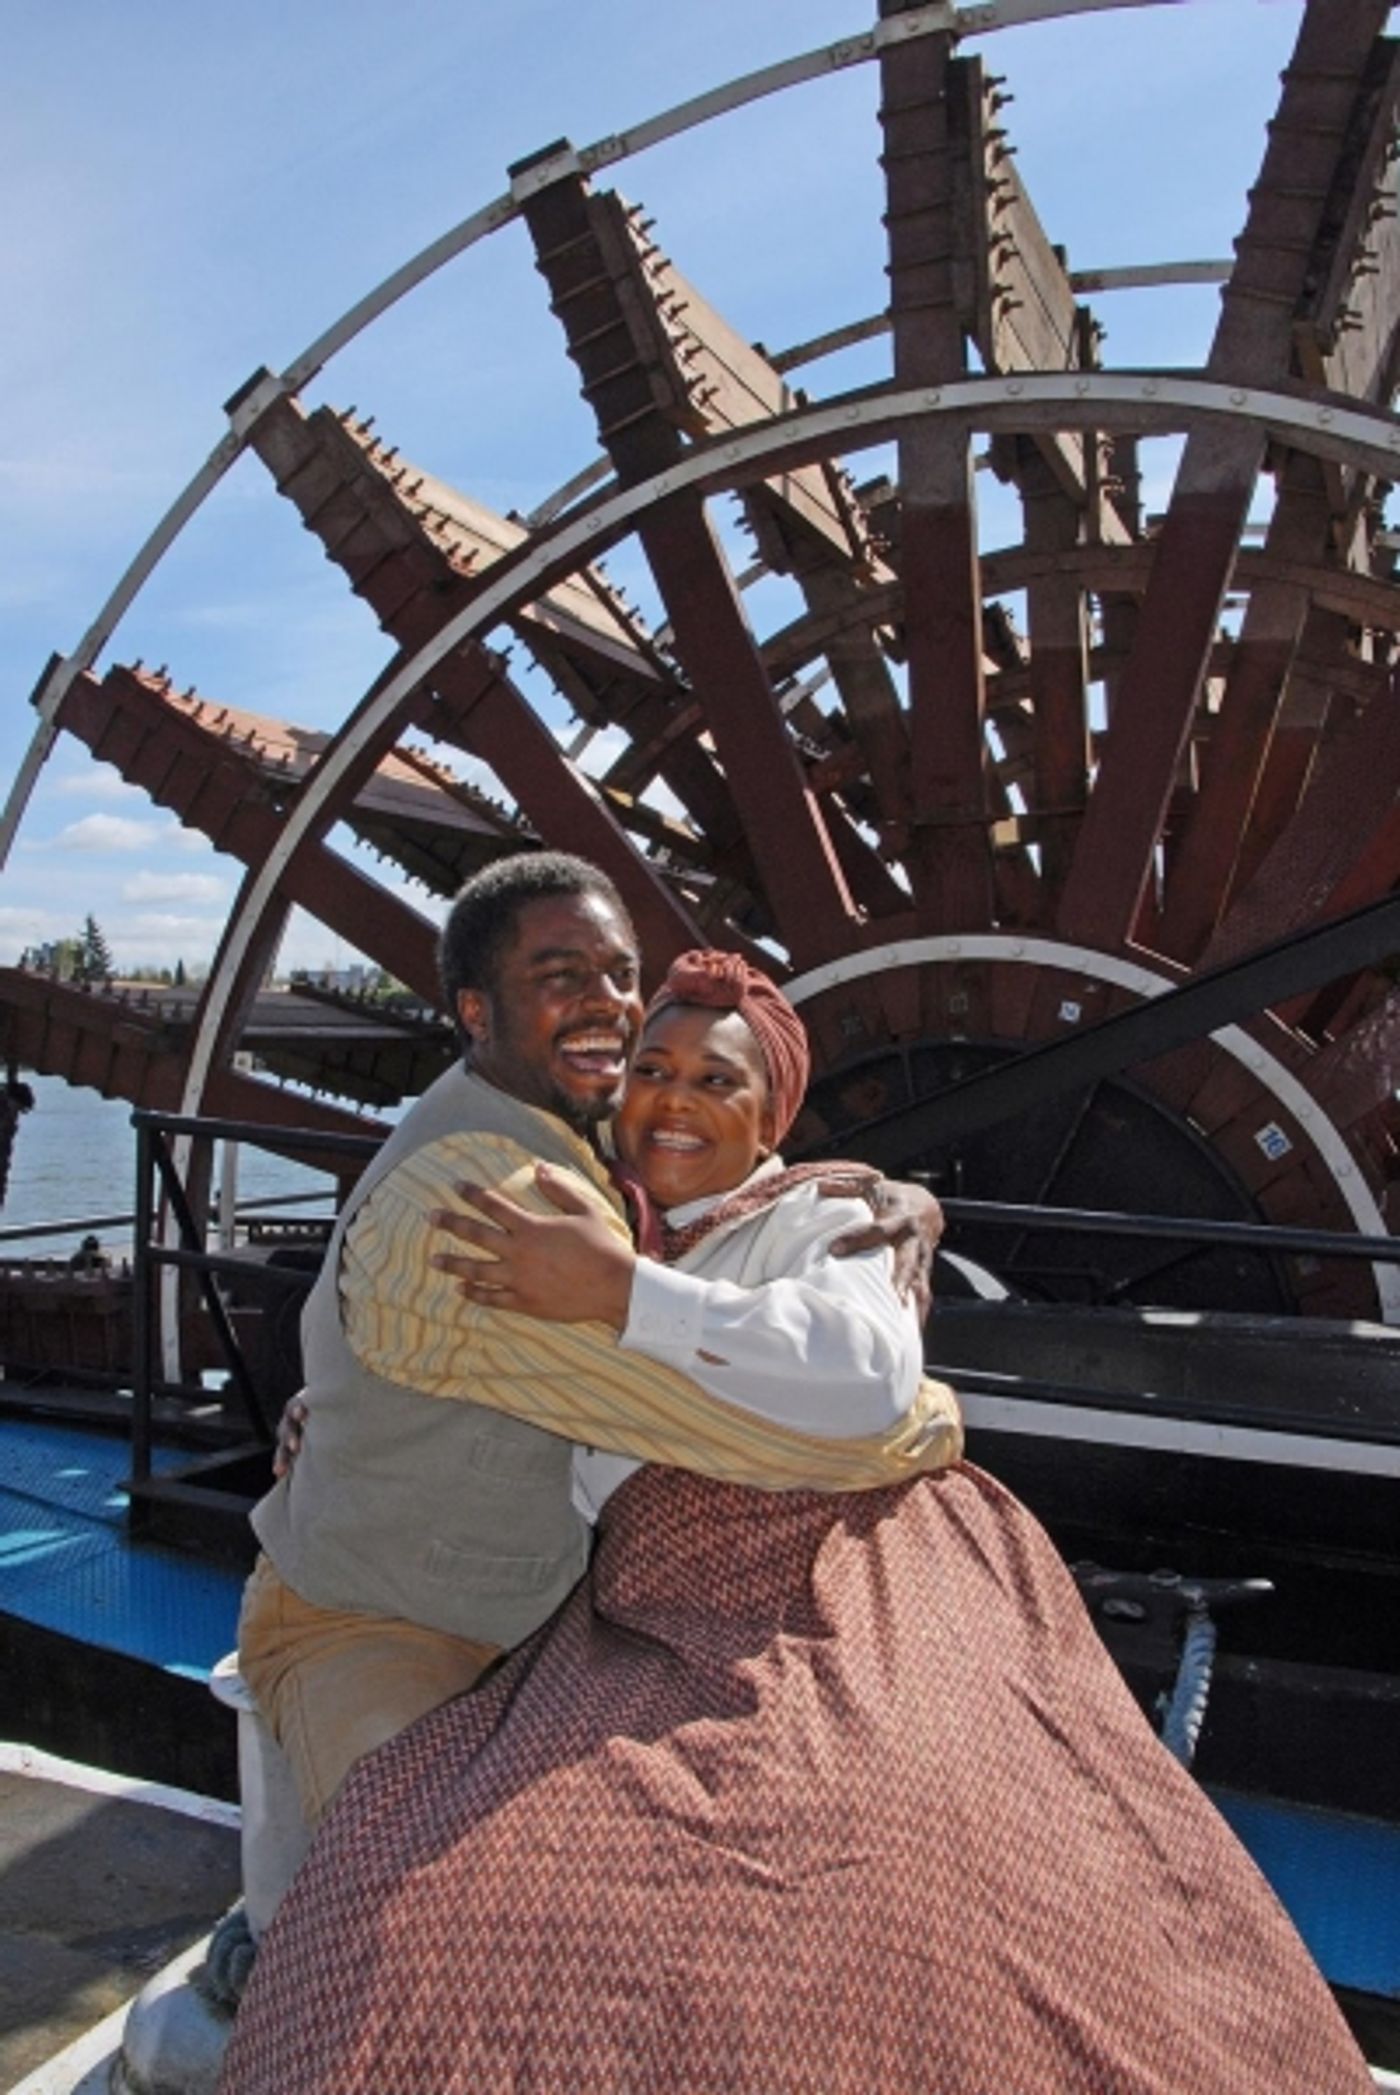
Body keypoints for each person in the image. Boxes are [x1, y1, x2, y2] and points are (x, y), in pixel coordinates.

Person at [219, 953, 1372, 2095]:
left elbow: (867, 1375)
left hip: (846, 1572)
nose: (673, 1099)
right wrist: (345, 1414)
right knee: (453, 1873)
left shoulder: (821, 1214)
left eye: (715, 1081)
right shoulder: (590, 1212)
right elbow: (485, 1357)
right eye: (651, 1070)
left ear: (772, 1116)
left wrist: (626, 1292)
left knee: (876, 1859)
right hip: (654, 1599)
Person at [238, 854, 960, 1835]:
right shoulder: (484, 1210)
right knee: (411, 1868)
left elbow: (719, 1144)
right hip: (381, 1622)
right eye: (559, 975)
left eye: (621, 973)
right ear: (476, 1010)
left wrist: (897, 1196)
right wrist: (926, 1418)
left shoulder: (569, 1128)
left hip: (557, 1622)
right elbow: (692, 1417)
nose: (607, 1004)